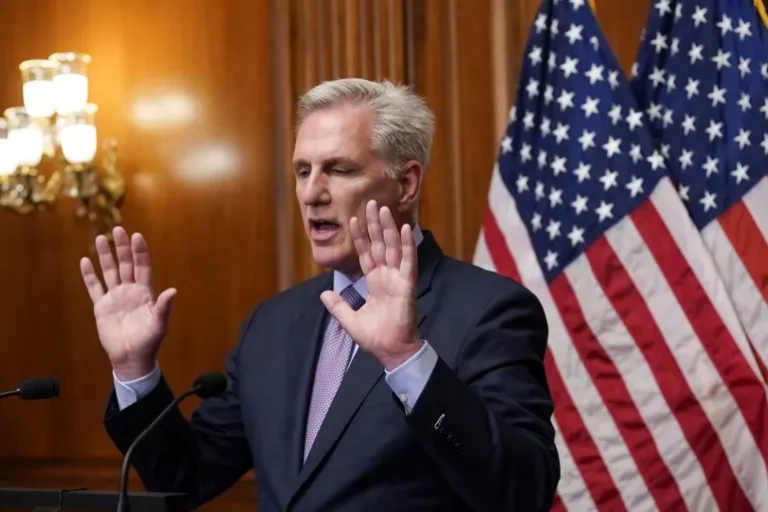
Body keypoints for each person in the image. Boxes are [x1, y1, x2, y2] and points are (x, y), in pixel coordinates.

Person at [80, 78, 560, 511]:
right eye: (303, 170)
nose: (312, 193)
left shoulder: (489, 310)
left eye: (339, 169)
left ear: (406, 184)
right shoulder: (270, 324)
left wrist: (405, 358)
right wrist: (134, 370)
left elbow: (523, 490)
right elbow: (184, 477)